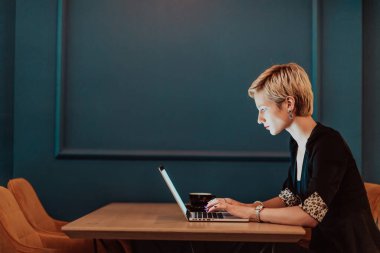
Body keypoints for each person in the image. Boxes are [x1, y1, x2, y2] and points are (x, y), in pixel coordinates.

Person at [206, 63, 380, 253]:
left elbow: (310, 214)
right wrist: (245, 206)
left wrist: (250, 213)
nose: (259, 119)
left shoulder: (329, 144)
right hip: (321, 244)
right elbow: (290, 197)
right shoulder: (297, 143)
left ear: (289, 104)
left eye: (263, 108)